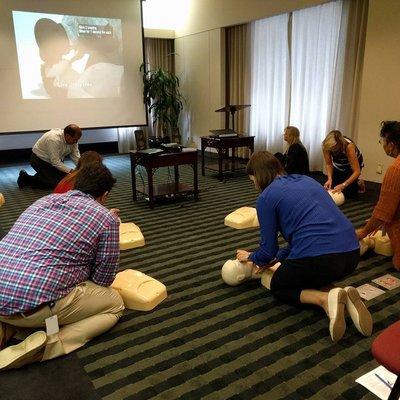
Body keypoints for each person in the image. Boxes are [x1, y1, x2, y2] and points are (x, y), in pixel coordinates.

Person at [236, 151, 372, 341]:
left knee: (280, 285)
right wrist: (280, 257)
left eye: (253, 181)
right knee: (309, 272)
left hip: (320, 259)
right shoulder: (306, 180)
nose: (255, 186)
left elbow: (268, 251)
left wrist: (251, 257)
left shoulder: (266, 198)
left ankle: (325, 301)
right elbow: (305, 235)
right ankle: (343, 296)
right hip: (351, 254)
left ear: (258, 176)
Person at [0, 164, 124, 370]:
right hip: (36, 302)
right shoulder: (106, 219)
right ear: (104, 195)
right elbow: (103, 279)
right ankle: (48, 346)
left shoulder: (43, 201)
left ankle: (10, 327)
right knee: (114, 304)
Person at [356, 121, 400, 270]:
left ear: (391, 144)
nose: (382, 144)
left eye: (383, 141)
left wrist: (363, 232)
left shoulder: (395, 169)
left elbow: (384, 212)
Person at [17, 124, 82, 190]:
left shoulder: (73, 141)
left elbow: (75, 156)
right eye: (75, 139)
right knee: (55, 184)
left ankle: (43, 175)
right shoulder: (53, 139)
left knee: (64, 179)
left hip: (54, 160)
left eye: (77, 140)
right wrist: (71, 170)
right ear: (67, 136)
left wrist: (82, 166)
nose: (76, 142)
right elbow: (55, 162)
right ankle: (25, 178)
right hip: (39, 160)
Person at [322, 130, 364, 197]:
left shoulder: (349, 146)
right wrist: (329, 179)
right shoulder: (326, 145)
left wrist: (344, 185)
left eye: (333, 148)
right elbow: (329, 164)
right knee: (333, 187)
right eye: (330, 149)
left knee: (348, 193)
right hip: (339, 163)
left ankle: (359, 183)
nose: (331, 150)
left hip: (353, 164)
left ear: (339, 145)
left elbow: (357, 171)